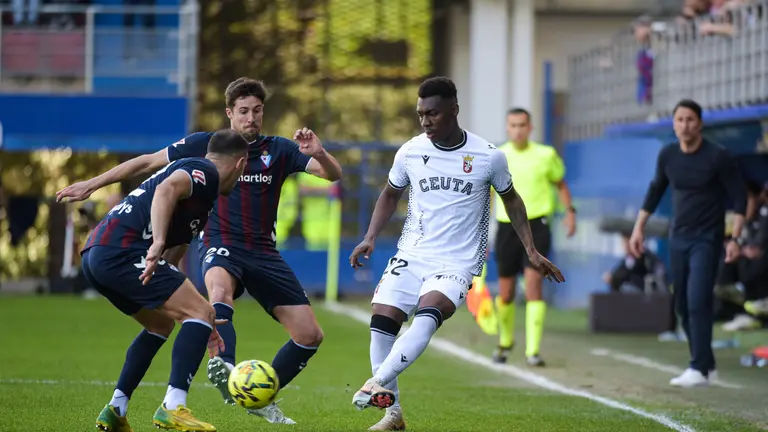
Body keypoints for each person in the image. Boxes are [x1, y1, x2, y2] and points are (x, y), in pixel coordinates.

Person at [57, 77, 343, 424]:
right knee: (210, 301)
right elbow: (154, 173)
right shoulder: (206, 157)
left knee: (168, 324)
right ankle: (197, 386)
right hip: (214, 244)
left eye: (257, 111)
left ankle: (119, 408)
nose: (251, 117)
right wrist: (95, 185)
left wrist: (320, 153)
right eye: (243, 111)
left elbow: (332, 174)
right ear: (229, 115)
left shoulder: (276, 151)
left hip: (257, 251)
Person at [348, 77, 564, 430]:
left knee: (428, 315)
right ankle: (393, 415)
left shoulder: (488, 155)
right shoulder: (410, 152)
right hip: (412, 254)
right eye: (420, 114)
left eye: (432, 113)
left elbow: (512, 199)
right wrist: (370, 236)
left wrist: (531, 249)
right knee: (382, 323)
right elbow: (390, 193)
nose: (425, 121)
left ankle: (376, 383)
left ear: (454, 109)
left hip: (458, 262)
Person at [87, 129, 248, 432]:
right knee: (201, 312)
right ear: (240, 164)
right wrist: (158, 242)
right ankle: (173, 407)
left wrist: (201, 322)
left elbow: (173, 269)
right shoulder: (205, 170)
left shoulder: (203, 198)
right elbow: (165, 190)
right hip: (121, 251)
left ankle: (116, 409)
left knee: (161, 324)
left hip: (97, 254)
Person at [629, 98, 747, 388]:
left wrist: (735, 238)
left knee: (698, 300)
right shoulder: (668, 155)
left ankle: (697, 367)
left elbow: (740, 197)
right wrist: (638, 228)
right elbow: (655, 190)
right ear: (674, 123)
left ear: (700, 123)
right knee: (681, 303)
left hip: (707, 239)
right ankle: (706, 364)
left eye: (690, 119)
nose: (685, 125)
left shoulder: (718, 157)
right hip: (678, 238)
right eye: (680, 119)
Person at [491, 107, 576, 367]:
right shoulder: (497, 155)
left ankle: (532, 351)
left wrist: (569, 213)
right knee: (505, 293)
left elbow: (560, 184)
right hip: (506, 227)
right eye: (513, 125)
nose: (518, 130)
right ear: (507, 128)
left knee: (533, 286)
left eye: (522, 125)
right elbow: (489, 194)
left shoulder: (545, 155)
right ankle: (505, 342)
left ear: (531, 127)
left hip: (537, 225)